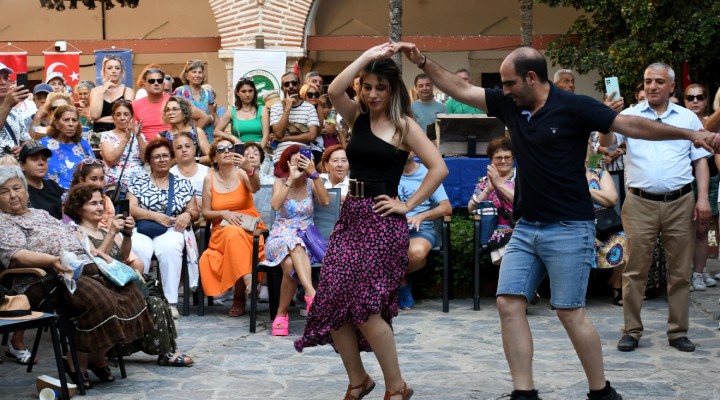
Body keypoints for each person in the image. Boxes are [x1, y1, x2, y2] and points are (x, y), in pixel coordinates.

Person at [395, 43, 717, 399]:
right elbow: (462, 90)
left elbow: (631, 125)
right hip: (526, 228)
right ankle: (524, 392)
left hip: (569, 227)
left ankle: (601, 391)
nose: (502, 91)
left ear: (531, 78)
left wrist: (691, 134)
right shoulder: (510, 104)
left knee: (569, 312)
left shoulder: (574, 107)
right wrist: (422, 60)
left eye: (508, 83)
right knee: (508, 303)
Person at [295, 44, 447, 400]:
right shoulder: (357, 118)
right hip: (351, 218)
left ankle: (397, 386)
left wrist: (407, 204)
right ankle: (359, 380)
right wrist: (365, 58)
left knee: (364, 307)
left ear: (392, 89)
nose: (373, 93)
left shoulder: (404, 125)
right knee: (332, 300)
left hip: (382, 222)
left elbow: (439, 168)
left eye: (381, 86)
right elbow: (334, 90)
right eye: (368, 86)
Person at [0, 165, 154, 389]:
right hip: (45, 279)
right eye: (5, 191)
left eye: (17, 188)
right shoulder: (4, 222)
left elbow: (71, 236)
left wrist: (94, 251)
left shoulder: (41, 214)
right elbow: (16, 256)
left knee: (130, 292)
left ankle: (96, 357)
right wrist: (51, 261)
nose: (13, 195)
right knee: (100, 300)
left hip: (82, 267)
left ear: (25, 190)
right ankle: (77, 360)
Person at [601, 63, 711, 354]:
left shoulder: (688, 118)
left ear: (671, 87)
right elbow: (609, 145)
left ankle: (678, 332)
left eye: (659, 81)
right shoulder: (627, 116)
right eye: (648, 81)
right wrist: (606, 120)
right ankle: (631, 330)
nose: (652, 86)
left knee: (680, 272)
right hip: (639, 203)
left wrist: (703, 198)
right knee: (635, 270)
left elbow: (700, 161)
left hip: (680, 202)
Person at [63, 183, 193, 367]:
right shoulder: (76, 232)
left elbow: (123, 256)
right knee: (152, 302)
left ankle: (167, 350)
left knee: (155, 294)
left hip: (118, 282)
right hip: (102, 285)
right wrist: (112, 232)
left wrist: (128, 234)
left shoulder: (103, 230)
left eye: (101, 202)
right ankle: (164, 352)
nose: (100, 207)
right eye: (93, 203)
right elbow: (95, 261)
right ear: (78, 208)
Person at [127, 138, 200, 319]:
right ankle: (141, 300)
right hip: (143, 226)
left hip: (171, 228)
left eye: (165, 156)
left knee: (169, 250)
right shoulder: (138, 180)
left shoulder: (183, 183)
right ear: (149, 161)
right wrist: (153, 215)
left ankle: (170, 302)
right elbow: (131, 208)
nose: (161, 160)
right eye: (156, 157)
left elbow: (194, 210)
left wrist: (187, 215)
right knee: (139, 250)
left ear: (172, 158)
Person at [263, 145, 328, 335]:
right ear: (287, 162)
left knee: (291, 264)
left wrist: (313, 173)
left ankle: (281, 315)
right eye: (295, 161)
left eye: (302, 160)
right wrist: (291, 179)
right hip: (279, 237)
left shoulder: (312, 182)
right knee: (294, 243)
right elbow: (275, 205)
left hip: (305, 238)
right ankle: (311, 293)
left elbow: (325, 201)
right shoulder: (280, 182)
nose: (299, 164)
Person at [199, 139, 264, 316]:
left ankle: (239, 297)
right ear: (214, 158)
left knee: (236, 237)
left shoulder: (242, 173)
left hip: (250, 227)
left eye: (231, 148)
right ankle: (248, 284)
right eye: (221, 149)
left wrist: (249, 169)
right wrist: (224, 213)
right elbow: (205, 212)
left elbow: (256, 188)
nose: (227, 151)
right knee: (232, 234)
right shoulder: (209, 178)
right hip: (221, 229)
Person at [397, 151, 451, 310]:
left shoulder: (428, 174)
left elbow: (446, 208)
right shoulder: (388, 172)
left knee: (417, 254)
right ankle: (401, 282)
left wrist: (421, 216)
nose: (405, 149)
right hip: (391, 230)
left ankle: (399, 283)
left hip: (421, 230)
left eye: (409, 145)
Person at [683, 84, 718, 290]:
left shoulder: (712, 123)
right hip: (684, 181)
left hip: (710, 178)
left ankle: (699, 271)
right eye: (690, 97)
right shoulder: (677, 122)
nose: (695, 101)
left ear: (706, 100)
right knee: (682, 230)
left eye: (700, 97)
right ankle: (685, 272)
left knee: (703, 229)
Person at [584, 145, 626, 304]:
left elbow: (612, 199)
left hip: (601, 222)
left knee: (624, 238)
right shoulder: (560, 174)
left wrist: (586, 190)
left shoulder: (599, 172)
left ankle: (616, 283)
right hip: (572, 222)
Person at [468, 136, 516, 265]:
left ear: (513, 158)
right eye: (498, 158)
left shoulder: (521, 179)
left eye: (507, 157)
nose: (503, 161)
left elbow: (523, 202)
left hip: (521, 228)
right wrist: (488, 190)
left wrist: (500, 184)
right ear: (491, 160)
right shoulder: (484, 181)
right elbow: (471, 208)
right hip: (496, 230)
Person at [39, 105, 94, 190]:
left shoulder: (83, 144)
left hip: (79, 197)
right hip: (51, 196)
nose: (71, 124)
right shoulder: (43, 145)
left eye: (74, 120)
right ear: (57, 124)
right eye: (66, 120)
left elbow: (94, 172)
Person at [269, 72, 320, 163]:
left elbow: (312, 136)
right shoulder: (276, 107)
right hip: (282, 156)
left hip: (304, 156)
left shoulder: (309, 107)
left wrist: (286, 138)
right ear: (282, 88)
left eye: (294, 83)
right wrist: (287, 109)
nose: (291, 86)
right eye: (286, 84)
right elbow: (278, 134)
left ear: (299, 85)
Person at [98, 100, 147, 190]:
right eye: (118, 114)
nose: (122, 118)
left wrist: (139, 136)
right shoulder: (106, 136)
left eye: (126, 114)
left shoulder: (139, 135)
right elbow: (111, 161)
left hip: (140, 184)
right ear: (113, 117)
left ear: (131, 117)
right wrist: (125, 139)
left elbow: (145, 159)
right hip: (116, 186)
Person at [215, 77, 270, 149]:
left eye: (250, 91)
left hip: (259, 151)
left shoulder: (262, 110)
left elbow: (266, 136)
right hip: (240, 150)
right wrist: (231, 137)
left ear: (254, 92)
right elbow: (216, 132)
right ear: (237, 93)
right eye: (243, 91)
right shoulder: (232, 111)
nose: (247, 94)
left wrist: (258, 153)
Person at [87, 55, 135, 133]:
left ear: (121, 72)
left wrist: (100, 120)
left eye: (117, 68)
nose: (113, 71)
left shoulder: (128, 91)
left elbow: (125, 117)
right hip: (100, 133)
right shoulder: (96, 91)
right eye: (109, 68)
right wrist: (102, 91)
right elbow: (95, 115)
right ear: (104, 71)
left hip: (121, 134)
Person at [19, 140, 64, 219]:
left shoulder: (52, 185)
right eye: (34, 159)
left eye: (44, 159)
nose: (41, 163)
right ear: (22, 165)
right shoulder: (21, 192)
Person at [159, 96, 211, 164]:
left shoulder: (197, 132)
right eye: (167, 110)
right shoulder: (162, 137)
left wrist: (193, 160)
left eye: (175, 109)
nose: (170, 112)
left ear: (184, 112)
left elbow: (211, 157)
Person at [172, 60, 217, 139]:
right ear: (186, 75)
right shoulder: (180, 92)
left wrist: (210, 118)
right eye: (194, 72)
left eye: (200, 72)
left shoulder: (207, 93)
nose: (197, 75)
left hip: (206, 135)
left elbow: (212, 115)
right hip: (187, 136)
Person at [170, 132, 210, 206]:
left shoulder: (207, 171)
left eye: (187, 146)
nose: (184, 150)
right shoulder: (170, 174)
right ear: (174, 153)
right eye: (179, 147)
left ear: (194, 149)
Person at [0, 62, 31, 158]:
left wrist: (23, 149)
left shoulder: (14, 112)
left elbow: (26, 140)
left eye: (5, 77)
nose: (3, 82)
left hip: (15, 170)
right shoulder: (9, 106)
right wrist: (7, 104)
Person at [132, 67, 172, 142]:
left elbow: (200, 117)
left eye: (159, 81)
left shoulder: (174, 101)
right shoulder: (134, 105)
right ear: (144, 85)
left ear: (163, 84)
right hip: (146, 150)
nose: (156, 83)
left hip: (172, 148)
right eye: (151, 81)